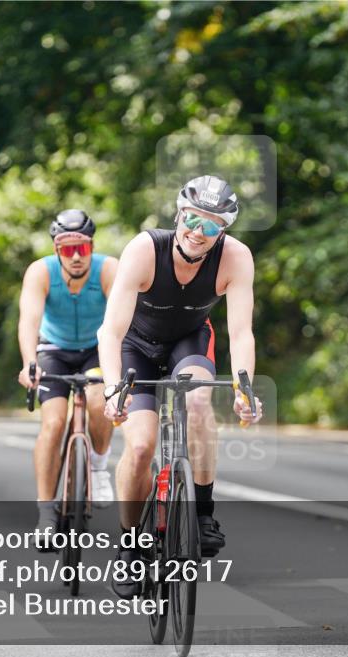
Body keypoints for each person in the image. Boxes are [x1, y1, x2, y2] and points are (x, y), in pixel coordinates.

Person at [97, 175, 263, 598]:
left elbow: (242, 332)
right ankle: (131, 545)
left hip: (188, 343)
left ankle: (204, 512)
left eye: (210, 226)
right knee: (139, 447)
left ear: (222, 231)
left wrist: (245, 389)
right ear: (178, 214)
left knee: (200, 403)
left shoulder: (236, 258)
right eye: (191, 219)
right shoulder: (144, 249)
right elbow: (110, 333)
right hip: (136, 347)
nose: (197, 231)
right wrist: (114, 390)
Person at [17, 210, 118, 548]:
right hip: (54, 350)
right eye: (67, 248)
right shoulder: (40, 272)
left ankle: (99, 465)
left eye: (83, 248)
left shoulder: (108, 270)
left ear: (92, 246)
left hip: (96, 349)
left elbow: (123, 319)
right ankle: (46, 513)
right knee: (53, 424)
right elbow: (29, 320)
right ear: (56, 249)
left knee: (99, 399)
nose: (76, 256)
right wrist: (30, 363)